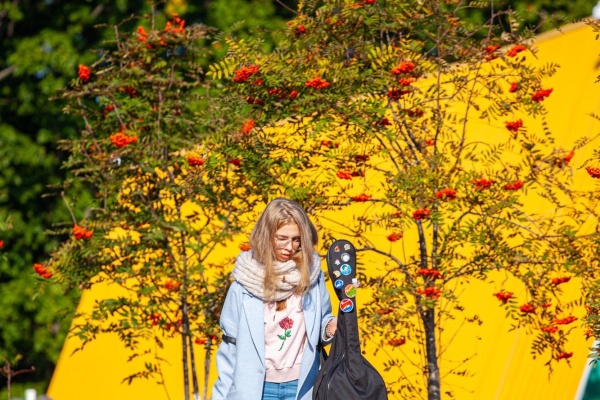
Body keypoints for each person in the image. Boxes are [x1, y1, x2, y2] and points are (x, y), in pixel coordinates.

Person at [212, 198, 338, 400]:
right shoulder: (244, 283)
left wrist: (331, 327)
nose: (290, 247)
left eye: (296, 239)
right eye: (282, 238)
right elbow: (229, 347)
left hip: (302, 386)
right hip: (256, 389)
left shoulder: (312, 276)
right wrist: (221, 396)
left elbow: (322, 323)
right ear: (266, 235)